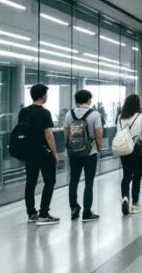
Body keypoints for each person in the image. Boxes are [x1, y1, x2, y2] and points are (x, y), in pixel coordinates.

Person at [18, 84, 60, 224]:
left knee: (31, 182)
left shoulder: (23, 112)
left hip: (28, 152)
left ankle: (31, 214)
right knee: (50, 181)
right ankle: (43, 213)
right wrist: (55, 153)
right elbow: (48, 135)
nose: (47, 97)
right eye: (46, 94)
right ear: (42, 96)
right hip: (43, 152)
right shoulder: (44, 113)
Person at [63, 89, 103, 221]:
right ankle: (87, 212)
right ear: (89, 99)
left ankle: (74, 209)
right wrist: (99, 148)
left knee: (73, 180)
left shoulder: (70, 114)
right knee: (89, 181)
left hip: (73, 152)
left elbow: (66, 131)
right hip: (89, 152)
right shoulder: (94, 114)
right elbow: (98, 132)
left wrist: (70, 146)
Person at [118, 94, 142, 214]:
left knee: (126, 176)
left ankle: (125, 197)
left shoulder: (121, 117)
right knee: (137, 177)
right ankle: (135, 203)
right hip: (139, 150)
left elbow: (119, 133)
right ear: (138, 104)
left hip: (125, 149)